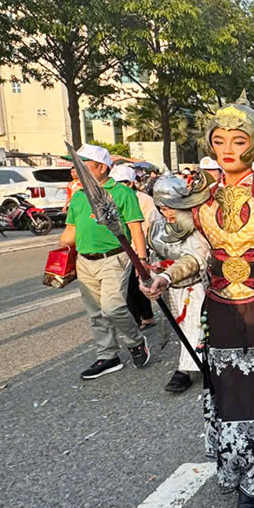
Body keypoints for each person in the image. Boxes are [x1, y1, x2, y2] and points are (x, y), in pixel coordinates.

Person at [142, 93, 254, 508]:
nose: (228, 149)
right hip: (220, 307)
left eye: (238, 141)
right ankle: (238, 467)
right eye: (220, 141)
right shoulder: (203, 200)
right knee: (231, 391)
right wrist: (165, 278)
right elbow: (199, 254)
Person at [58, 144, 150, 380]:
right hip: (84, 260)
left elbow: (135, 229)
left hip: (115, 257)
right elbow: (70, 232)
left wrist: (141, 261)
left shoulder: (122, 193)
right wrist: (60, 252)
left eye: (82, 164)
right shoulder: (78, 196)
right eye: (75, 165)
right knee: (95, 312)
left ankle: (135, 341)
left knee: (112, 307)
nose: (76, 170)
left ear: (101, 167)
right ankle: (108, 355)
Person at [147, 173, 211, 393]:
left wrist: (168, 274)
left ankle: (185, 369)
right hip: (171, 288)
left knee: (197, 325)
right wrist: (154, 270)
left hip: (197, 285)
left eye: (172, 207)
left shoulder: (195, 226)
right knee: (184, 326)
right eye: (163, 208)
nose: (168, 213)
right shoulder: (156, 228)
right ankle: (202, 362)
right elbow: (155, 253)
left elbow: (196, 258)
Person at [112, 164, 157, 331]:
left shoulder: (143, 199)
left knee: (137, 285)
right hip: (122, 248)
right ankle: (142, 318)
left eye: (121, 183)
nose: (117, 186)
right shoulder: (112, 197)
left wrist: (143, 250)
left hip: (139, 247)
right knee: (129, 287)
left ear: (130, 183)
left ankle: (143, 319)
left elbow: (152, 223)